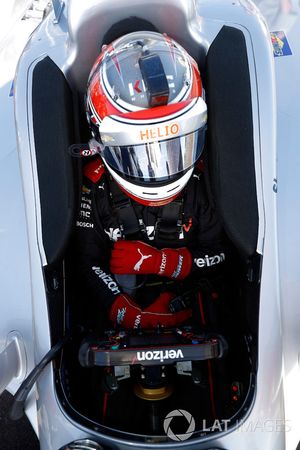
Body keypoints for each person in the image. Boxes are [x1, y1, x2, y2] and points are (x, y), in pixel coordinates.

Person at [75, 31, 228, 330]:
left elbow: (225, 255)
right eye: (138, 154)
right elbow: (83, 262)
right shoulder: (95, 185)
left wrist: (167, 263)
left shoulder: (204, 179)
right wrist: (123, 310)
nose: (159, 166)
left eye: (174, 146)